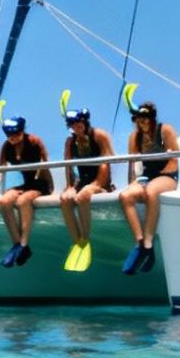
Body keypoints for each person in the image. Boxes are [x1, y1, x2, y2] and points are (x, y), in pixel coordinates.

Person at [117, 101, 178, 274]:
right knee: (125, 196)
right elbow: (133, 163)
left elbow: (175, 160)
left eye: (145, 119)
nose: (141, 122)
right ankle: (139, 242)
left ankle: (149, 243)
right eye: (138, 119)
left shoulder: (165, 130)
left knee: (151, 191)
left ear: (152, 118)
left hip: (167, 175)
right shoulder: (134, 137)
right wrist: (133, 183)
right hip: (146, 177)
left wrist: (152, 182)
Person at [56, 106, 114, 272]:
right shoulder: (70, 141)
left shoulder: (99, 135)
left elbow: (105, 164)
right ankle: (76, 241)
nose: (75, 127)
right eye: (71, 124)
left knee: (82, 197)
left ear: (84, 121)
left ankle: (85, 240)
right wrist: (68, 186)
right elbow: (68, 166)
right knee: (65, 199)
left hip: (100, 183)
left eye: (78, 123)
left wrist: (96, 185)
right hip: (81, 182)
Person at [0, 116, 53, 267]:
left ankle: (23, 243)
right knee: (3, 200)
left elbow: (45, 165)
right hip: (26, 183)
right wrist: (5, 190)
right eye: (8, 135)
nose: (12, 138)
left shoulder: (34, 141)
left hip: (42, 182)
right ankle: (17, 245)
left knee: (23, 201)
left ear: (22, 131)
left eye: (15, 134)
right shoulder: (6, 146)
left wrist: (28, 190)